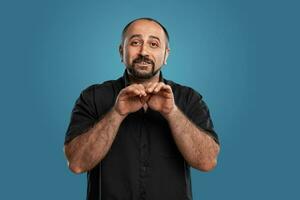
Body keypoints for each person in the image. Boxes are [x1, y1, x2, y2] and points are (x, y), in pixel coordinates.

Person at [64, 17, 220, 200]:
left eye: (153, 44)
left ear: (166, 55)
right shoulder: (93, 97)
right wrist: (116, 113)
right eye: (135, 42)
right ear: (122, 52)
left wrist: (172, 113)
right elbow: (77, 164)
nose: (144, 51)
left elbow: (207, 162)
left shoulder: (189, 99)